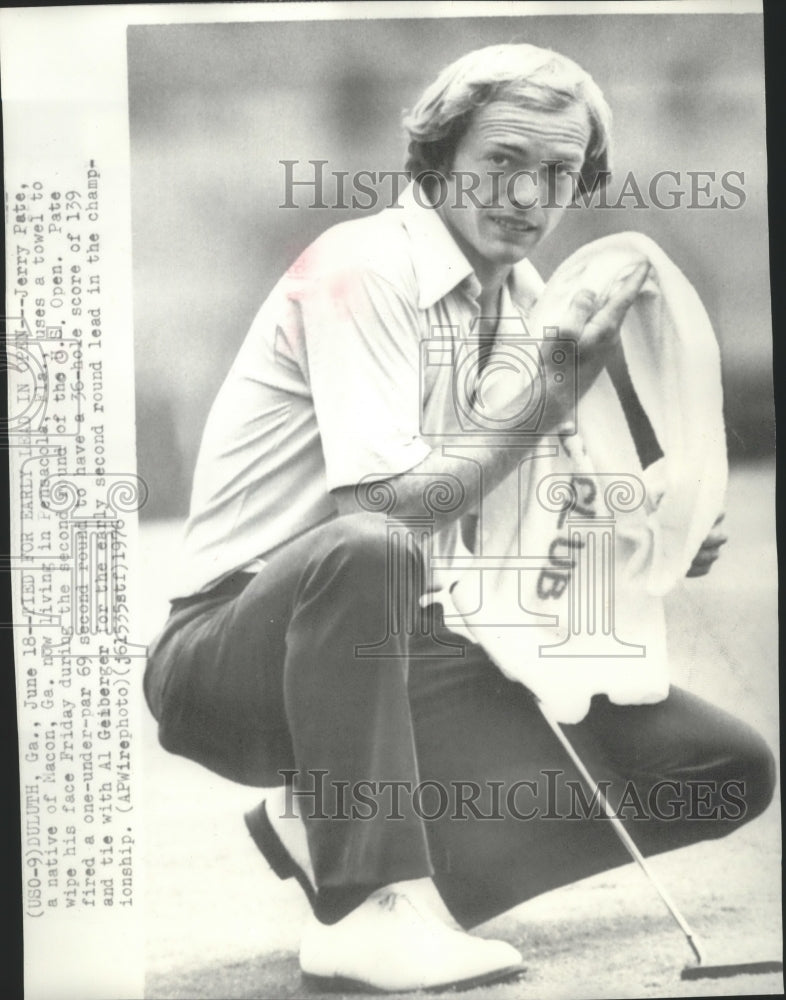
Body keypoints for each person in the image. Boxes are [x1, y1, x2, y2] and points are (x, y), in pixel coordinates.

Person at [143, 44, 776, 993]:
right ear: (437, 161)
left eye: (558, 173)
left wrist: (650, 536)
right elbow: (383, 509)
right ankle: (366, 905)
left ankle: (352, 845)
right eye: (501, 162)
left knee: (721, 766)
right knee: (372, 548)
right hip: (233, 656)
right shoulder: (363, 268)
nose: (528, 194)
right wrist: (551, 393)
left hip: (402, 654)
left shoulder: (525, 299)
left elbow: (516, 523)